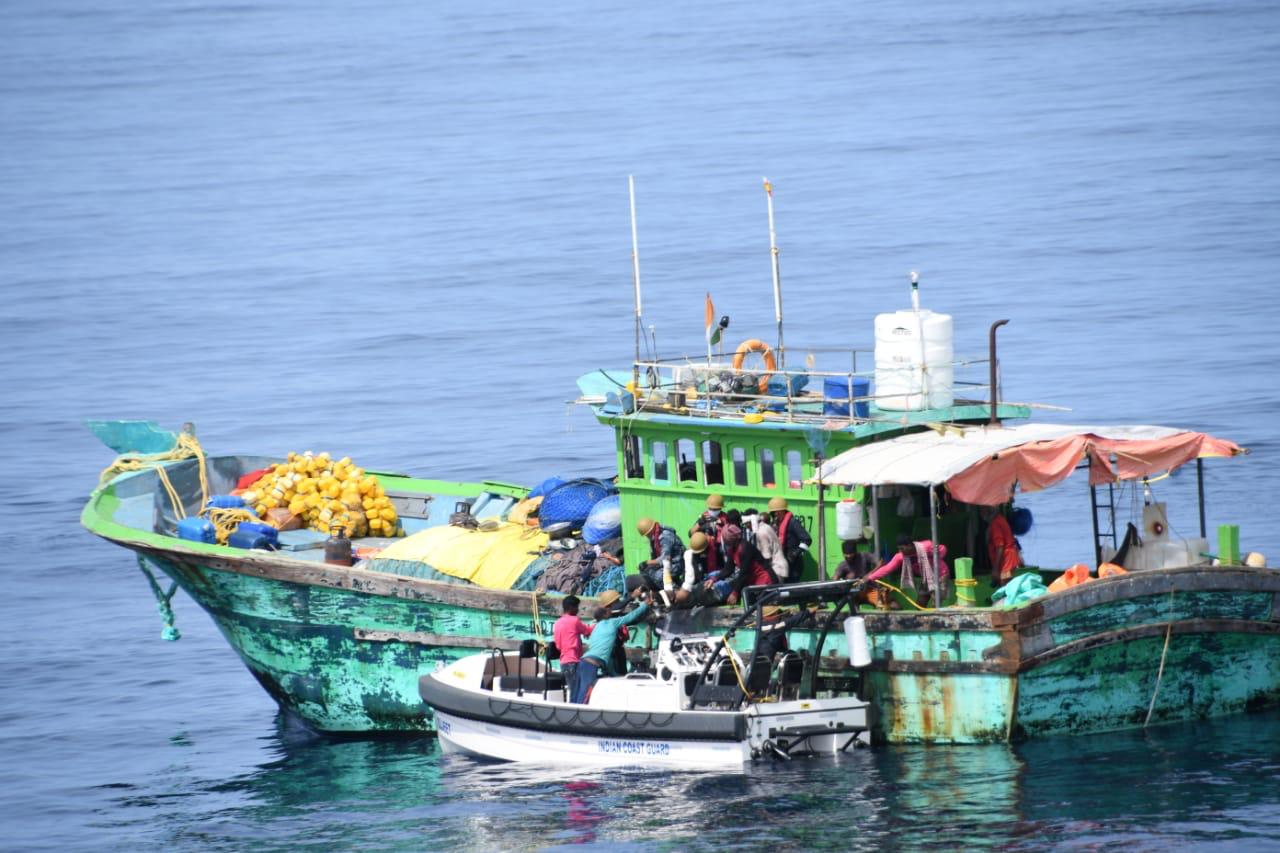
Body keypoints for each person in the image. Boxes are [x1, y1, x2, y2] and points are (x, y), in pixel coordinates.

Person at [572, 588, 651, 703]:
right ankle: (578, 715)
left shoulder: (596, 626)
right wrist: (644, 605)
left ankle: (573, 713)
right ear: (606, 613)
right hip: (592, 664)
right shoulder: (612, 622)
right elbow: (630, 617)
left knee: (578, 693)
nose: (610, 610)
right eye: (608, 609)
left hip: (585, 662)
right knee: (585, 695)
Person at [865, 534, 951, 602]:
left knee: (935, 601)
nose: (901, 551)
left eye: (902, 548)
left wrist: (938, 551)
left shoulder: (926, 546)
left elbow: (943, 549)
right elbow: (887, 568)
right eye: (899, 549)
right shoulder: (901, 556)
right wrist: (870, 578)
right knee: (921, 601)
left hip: (940, 574)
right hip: (927, 579)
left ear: (909, 545)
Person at [552, 595, 593, 691]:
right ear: (571, 607)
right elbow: (587, 631)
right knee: (576, 690)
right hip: (574, 661)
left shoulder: (558, 622)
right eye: (576, 607)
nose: (578, 610)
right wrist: (599, 623)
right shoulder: (575, 621)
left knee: (571, 689)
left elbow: (558, 645)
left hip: (563, 662)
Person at [768, 497, 811, 583]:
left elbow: (807, 539)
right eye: (773, 512)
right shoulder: (776, 524)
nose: (775, 514)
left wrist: (796, 553)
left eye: (777, 512)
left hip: (794, 563)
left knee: (791, 586)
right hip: (783, 561)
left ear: (783, 511)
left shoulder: (793, 522)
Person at [636, 517, 685, 592]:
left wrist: (646, 563)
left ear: (651, 531)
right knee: (646, 571)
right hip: (669, 563)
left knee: (659, 576)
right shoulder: (655, 538)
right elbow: (655, 557)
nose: (647, 537)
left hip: (678, 563)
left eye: (647, 535)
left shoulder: (665, 537)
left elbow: (665, 559)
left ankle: (676, 594)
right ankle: (657, 594)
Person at [982, 506, 1023, 587]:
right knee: (1005, 588)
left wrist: (995, 569)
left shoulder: (995, 523)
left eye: (982, 509)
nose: (981, 513)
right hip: (1009, 559)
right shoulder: (999, 519)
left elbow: (1000, 547)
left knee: (1005, 588)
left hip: (1007, 561)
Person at [748, 509, 790, 582]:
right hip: (779, 568)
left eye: (747, 524)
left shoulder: (760, 533)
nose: (746, 527)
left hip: (775, 569)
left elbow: (766, 557)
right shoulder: (765, 527)